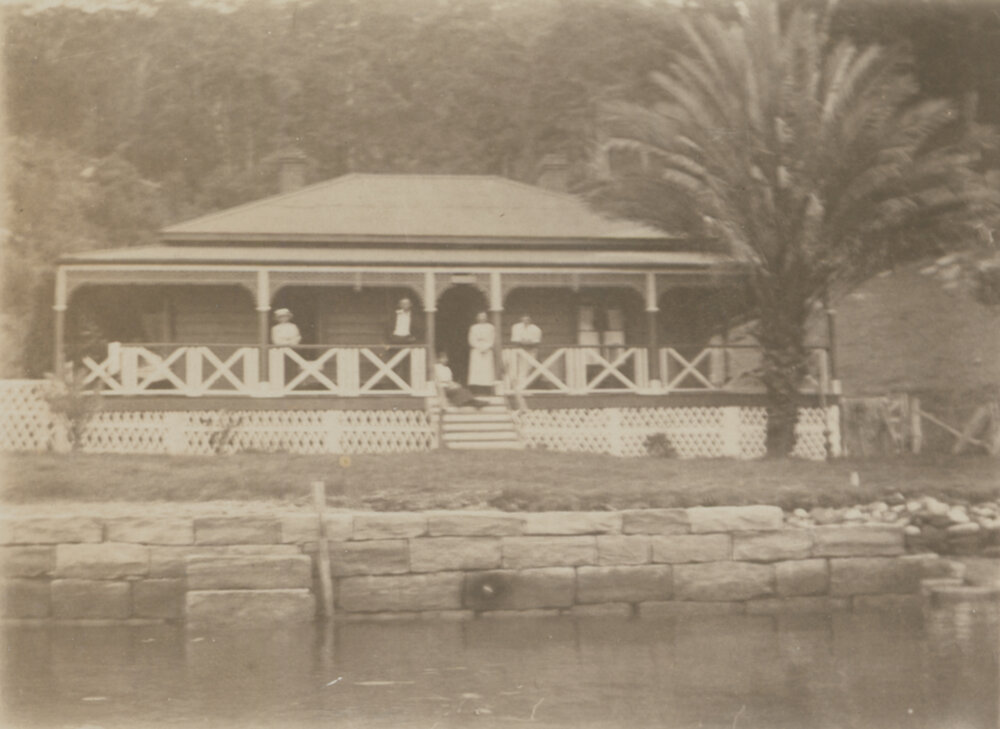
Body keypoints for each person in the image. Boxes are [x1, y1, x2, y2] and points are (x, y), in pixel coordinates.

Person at [467, 311, 495, 394]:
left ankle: (487, 389)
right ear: (477, 318)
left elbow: (492, 339)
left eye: (484, 316)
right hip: (477, 349)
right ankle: (477, 389)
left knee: (486, 370)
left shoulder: (491, 327)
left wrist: (486, 347)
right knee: (477, 370)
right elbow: (471, 339)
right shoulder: (473, 327)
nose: (482, 318)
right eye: (480, 316)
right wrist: (478, 347)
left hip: (487, 349)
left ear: (486, 318)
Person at [510, 314, 542, 386]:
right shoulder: (516, 327)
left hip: (530, 351)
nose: (525, 321)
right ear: (521, 319)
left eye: (527, 319)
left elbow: (536, 341)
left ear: (530, 320)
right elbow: (515, 340)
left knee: (527, 370)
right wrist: (523, 342)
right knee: (515, 369)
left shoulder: (536, 329)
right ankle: (517, 387)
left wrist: (527, 342)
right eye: (524, 319)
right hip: (518, 351)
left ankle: (523, 387)